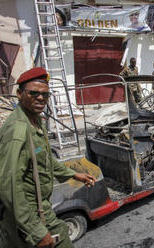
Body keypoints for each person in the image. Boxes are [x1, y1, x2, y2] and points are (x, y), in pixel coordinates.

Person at [0, 67, 96, 248]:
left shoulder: (35, 120)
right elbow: (9, 184)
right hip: (28, 210)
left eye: (45, 95)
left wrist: (73, 174)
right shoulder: (19, 130)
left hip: (38, 206)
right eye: (34, 93)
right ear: (20, 94)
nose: (40, 98)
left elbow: (44, 160)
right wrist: (35, 231)